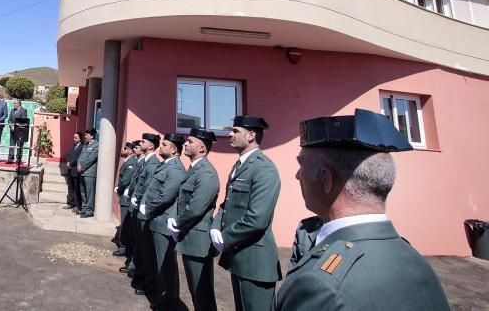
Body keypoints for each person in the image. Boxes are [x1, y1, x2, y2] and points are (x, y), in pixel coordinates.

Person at [273, 109, 450, 310]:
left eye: (302, 165)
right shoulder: (416, 262)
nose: (298, 175)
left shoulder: (319, 284)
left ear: (325, 178)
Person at [210, 116, 281, 311]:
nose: (230, 135)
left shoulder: (263, 168)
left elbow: (257, 218)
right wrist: (215, 227)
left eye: (235, 131)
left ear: (251, 135)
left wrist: (224, 237)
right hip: (239, 256)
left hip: (255, 261)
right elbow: (228, 204)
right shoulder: (240, 166)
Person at [168, 127, 220, 311]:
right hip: (189, 236)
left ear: (202, 149)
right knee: (195, 290)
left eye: (190, 142)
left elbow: (196, 208)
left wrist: (177, 223)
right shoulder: (195, 169)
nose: (186, 144)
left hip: (198, 240)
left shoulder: (206, 172)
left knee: (202, 293)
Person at [139, 133, 186, 309]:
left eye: (164, 145)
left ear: (174, 149)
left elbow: (165, 196)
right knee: (156, 262)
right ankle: (160, 296)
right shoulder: (166, 166)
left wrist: (147, 208)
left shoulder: (175, 169)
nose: (161, 147)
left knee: (166, 266)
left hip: (163, 223)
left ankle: (169, 302)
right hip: (155, 220)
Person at [129, 132, 161, 295]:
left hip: (143, 210)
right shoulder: (145, 162)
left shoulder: (153, 163)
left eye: (143, 141)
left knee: (145, 249)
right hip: (137, 207)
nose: (140, 143)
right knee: (139, 246)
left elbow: (149, 188)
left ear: (150, 146)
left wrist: (139, 200)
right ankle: (140, 274)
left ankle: (146, 281)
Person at [113, 141, 137, 256]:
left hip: (126, 197)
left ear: (131, 151)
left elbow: (125, 180)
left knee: (125, 223)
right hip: (124, 195)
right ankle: (123, 246)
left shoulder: (131, 162)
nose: (122, 150)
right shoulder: (127, 161)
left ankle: (123, 248)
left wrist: (118, 188)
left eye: (125, 148)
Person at [77, 128, 99, 218]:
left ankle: (89, 210)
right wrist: (78, 164)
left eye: (87, 135)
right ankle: (84, 208)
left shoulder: (96, 145)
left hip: (89, 172)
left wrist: (82, 167)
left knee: (89, 192)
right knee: (83, 192)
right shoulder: (86, 145)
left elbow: (92, 158)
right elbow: (80, 156)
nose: (85, 137)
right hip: (82, 172)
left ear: (92, 136)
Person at [65, 132, 83, 212]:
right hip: (70, 169)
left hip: (75, 170)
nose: (74, 139)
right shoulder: (72, 146)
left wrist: (71, 163)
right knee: (70, 187)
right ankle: (70, 203)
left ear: (80, 138)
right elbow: (68, 155)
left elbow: (79, 158)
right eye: (74, 137)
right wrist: (68, 162)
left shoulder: (82, 147)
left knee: (76, 188)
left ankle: (77, 205)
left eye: (75, 137)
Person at [6, 99, 29, 164]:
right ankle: (10, 159)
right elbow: (9, 120)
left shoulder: (23, 110)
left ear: (19, 104)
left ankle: (18, 160)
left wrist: (15, 127)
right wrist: (11, 126)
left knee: (19, 146)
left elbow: (23, 121)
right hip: (12, 131)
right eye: (14, 103)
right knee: (11, 145)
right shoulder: (12, 110)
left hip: (20, 132)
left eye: (15, 103)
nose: (14, 104)